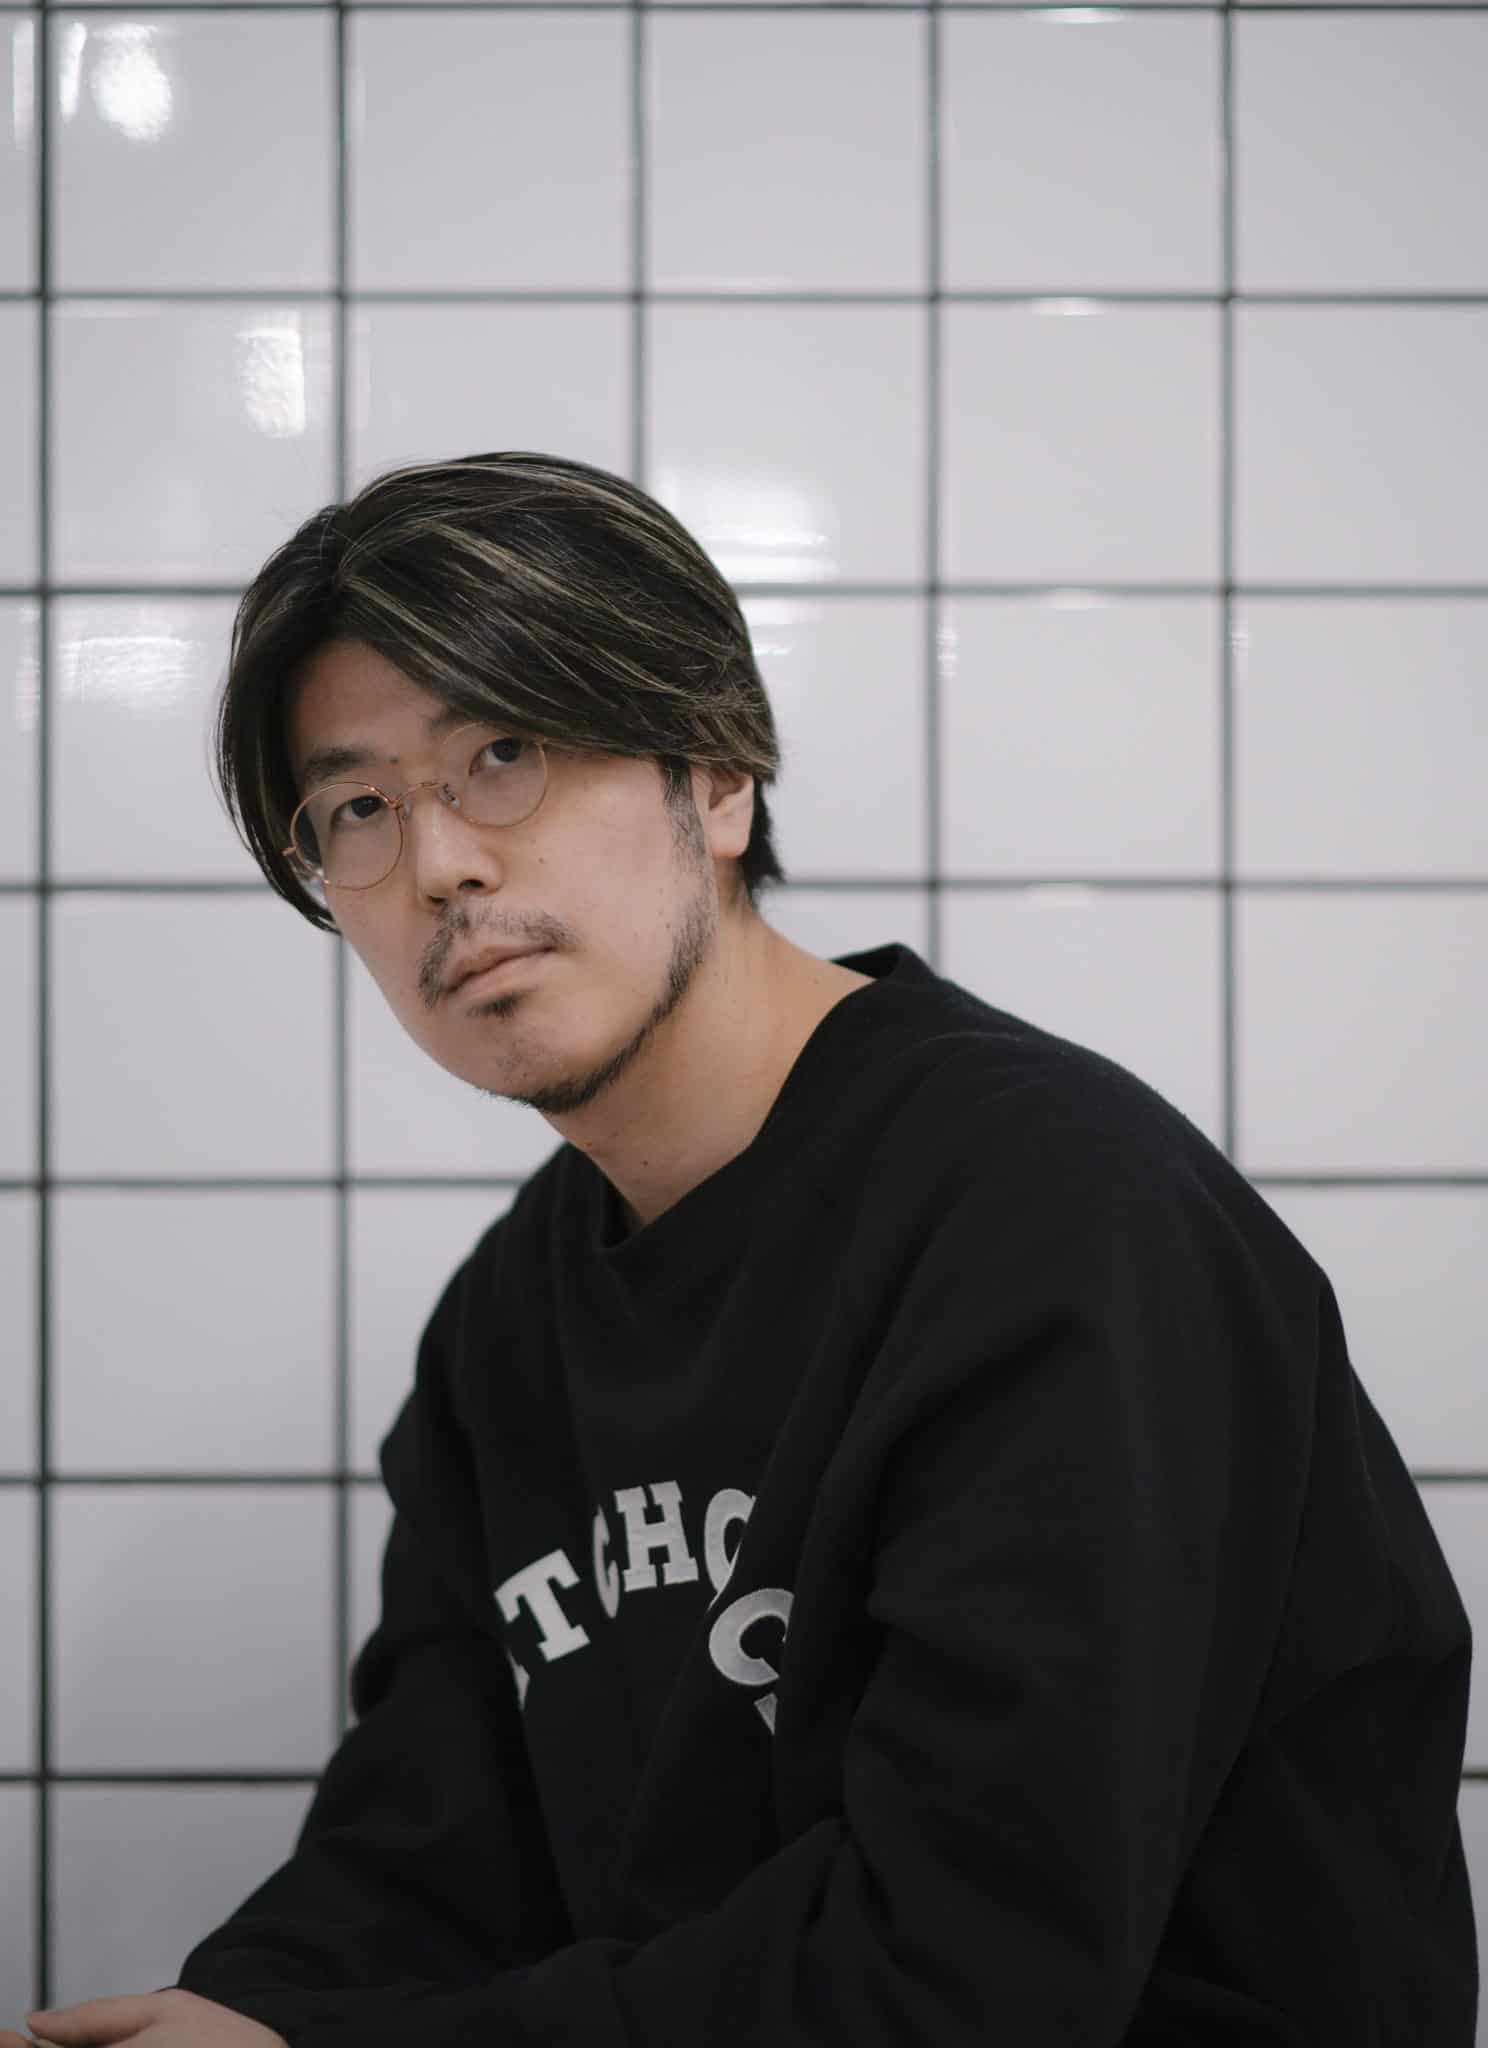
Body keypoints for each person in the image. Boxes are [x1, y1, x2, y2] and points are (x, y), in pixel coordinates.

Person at [15, 453, 1476, 2048]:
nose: (439, 866)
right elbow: (427, 1852)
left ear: (714, 780)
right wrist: (228, 2017)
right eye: (359, 808)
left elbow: (971, 1972)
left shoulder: (1061, 1222)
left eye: (504, 755)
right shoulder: (507, 1323)